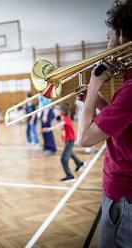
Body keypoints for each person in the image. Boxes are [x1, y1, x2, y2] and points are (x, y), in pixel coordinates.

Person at [77, 1, 132, 246]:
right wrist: (96, 100)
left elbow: (85, 139)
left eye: (109, 36)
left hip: (124, 195)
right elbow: (124, 125)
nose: (107, 43)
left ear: (121, 36)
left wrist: (94, 85)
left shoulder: (130, 90)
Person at [43, 103, 84, 182]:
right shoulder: (63, 117)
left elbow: (59, 125)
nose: (57, 111)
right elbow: (60, 127)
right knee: (70, 153)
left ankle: (70, 176)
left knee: (63, 159)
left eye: (58, 110)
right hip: (67, 140)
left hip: (70, 141)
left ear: (62, 111)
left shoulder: (66, 118)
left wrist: (49, 129)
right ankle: (79, 163)